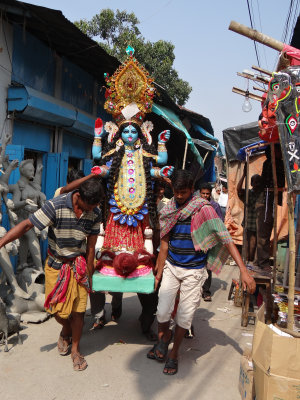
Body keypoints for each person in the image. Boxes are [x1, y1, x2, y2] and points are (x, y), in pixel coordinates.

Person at [147, 169, 256, 375]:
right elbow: (164, 244)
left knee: (184, 317)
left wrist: (243, 270)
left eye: (184, 192)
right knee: (162, 311)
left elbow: (225, 237)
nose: (179, 196)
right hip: (171, 266)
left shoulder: (203, 209)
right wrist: (159, 273)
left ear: (191, 190)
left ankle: (174, 353)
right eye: (177, 192)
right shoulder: (169, 209)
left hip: (194, 271)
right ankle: (163, 339)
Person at [0, 177, 104, 371]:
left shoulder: (95, 211)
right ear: (78, 197)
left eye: (94, 207)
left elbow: (91, 247)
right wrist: (2, 242)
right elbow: (27, 225)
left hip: (79, 264)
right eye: (87, 206)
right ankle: (66, 329)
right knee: (55, 310)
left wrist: (89, 274)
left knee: (79, 310)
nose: (90, 210)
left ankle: (75, 350)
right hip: (56, 264)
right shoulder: (55, 205)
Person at [198, 183, 224, 302]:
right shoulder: (195, 205)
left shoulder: (215, 206)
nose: (205, 196)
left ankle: (206, 291)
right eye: (203, 193)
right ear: (200, 193)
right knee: (196, 265)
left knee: (208, 266)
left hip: (210, 240)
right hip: (197, 239)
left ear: (210, 194)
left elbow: (219, 222)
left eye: (207, 194)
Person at [237, 165, 262, 262]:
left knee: (254, 246)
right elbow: (238, 189)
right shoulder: (248, 193)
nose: (256, 184)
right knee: (247, 245)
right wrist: (244, 175)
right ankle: (247, 261)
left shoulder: (263, 194)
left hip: (258, 225)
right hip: (248, 223)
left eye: (258, 182)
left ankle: (250, 261)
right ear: (251, 183)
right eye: (254, 182)